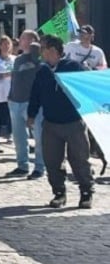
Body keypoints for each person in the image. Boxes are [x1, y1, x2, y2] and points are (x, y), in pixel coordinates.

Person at [28, 35, 93, 209]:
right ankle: (59, 193)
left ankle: (86, 193)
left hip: (74, 123)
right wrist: (31, 114)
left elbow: (86, 89)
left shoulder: (74, 68)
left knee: (80, 159)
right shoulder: (42, 71)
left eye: (43, 49)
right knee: (52, 160)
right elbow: (36, 94)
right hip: (51, 123)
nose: (40, 52)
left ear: (53, 51)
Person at [7, 30, 44, 179]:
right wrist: (10, 96)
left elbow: (38, 59)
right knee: (19, 136)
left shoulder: (38, 58)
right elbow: (15, 79)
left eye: (24, 38)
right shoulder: (18, 59)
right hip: (15, 101)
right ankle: (22, 165)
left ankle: (40, 166)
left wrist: (35, 46)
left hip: (31, 102)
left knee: (39, 136)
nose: (20, 41)